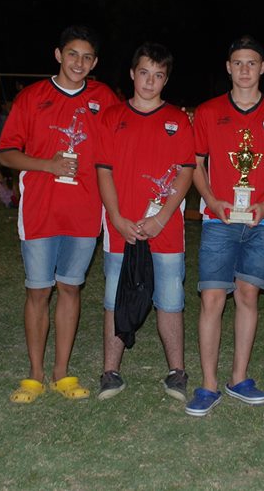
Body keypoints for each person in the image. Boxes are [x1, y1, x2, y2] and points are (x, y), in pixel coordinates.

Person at [0, 24, 120, 403]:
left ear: (95, 62)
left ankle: (61, 373)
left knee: (70, 288)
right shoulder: (32, 97)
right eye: (72, 54)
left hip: (84, 212)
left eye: (87, 57)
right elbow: (6, 153)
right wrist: (47, 165)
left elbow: (124, 141)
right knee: (38, 291)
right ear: (58, 55)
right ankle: (34, 375)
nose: (78, 63)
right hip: (40, 212)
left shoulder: (104, 98)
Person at [184, 35, 264, 417]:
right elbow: (195, 163)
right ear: (228, 67)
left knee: (248, 295)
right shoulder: (208, 112)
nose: (245, 70)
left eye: (252, 63)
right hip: (220, 219)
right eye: (238, 63)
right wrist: (210, 199)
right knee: (212, 298)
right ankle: (208, 385)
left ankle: (238, 378)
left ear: (262, 68)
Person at [94, 43, 195, 403]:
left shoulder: (178, 121)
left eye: (158, 75)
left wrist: (162, 217)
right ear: (132, 74)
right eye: (144, 73)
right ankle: (110, 372)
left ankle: (177, 372)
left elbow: (186, 172)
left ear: (166, 80)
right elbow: (103, 171)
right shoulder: (111, 117)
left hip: (165, 230)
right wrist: (117, 218)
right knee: (114, 298)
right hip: (121, 228)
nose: (150, 81)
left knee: (170, 299)